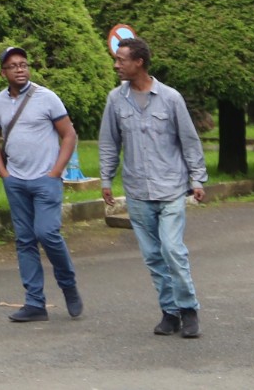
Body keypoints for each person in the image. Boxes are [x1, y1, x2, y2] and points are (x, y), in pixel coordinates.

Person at [98, 36, 208, 340]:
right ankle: (169, 312)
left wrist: (197, 179)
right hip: (137, 191)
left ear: (139, 62)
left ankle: (189, 309)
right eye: (117, 59)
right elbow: (109, 142)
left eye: (122, 60)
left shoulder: (171, 98)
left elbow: (189, 140)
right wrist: (106, 179)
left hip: (171, 187)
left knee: (172, 250)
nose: (116, 64)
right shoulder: (115, 100)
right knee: (153, 256)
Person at [0, 46, 82, 323]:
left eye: (24, 64)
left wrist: (55, 172)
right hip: (16, 181)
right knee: (25, 240)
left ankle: (68, 285)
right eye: (13, 65)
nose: (20, 69)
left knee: (47, 233)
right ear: (3, 72)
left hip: (45, 180)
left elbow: (69, 134)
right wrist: (4, 173)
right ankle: (35, 303)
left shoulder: (46, 97)